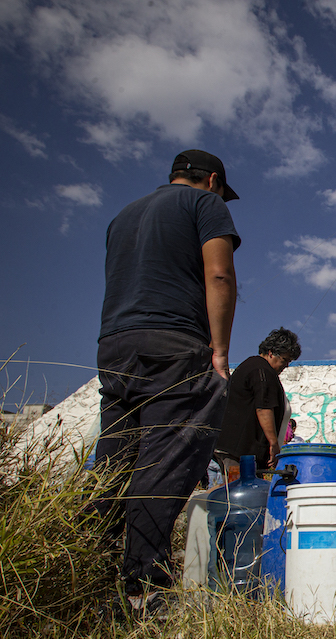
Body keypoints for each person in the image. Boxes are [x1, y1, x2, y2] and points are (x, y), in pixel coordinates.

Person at [94, 149, 240, 610]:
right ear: (212, 180)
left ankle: (83, 570)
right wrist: (219, 349)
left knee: (114, 464)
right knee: (165, 463)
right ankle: (143, 589)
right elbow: (219, 274)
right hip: (174, 345)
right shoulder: (205, 205)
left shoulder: (123, 216)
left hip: (114, 344)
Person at [215, 328, 301, 473]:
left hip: (238, 451)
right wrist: (273, 443)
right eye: (284, 360)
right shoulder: (262, 371)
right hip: (239, 452)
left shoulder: (253, 366)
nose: (286, 366)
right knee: (237, 490)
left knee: (233, 490)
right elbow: (264, 407)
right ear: (271, 353)